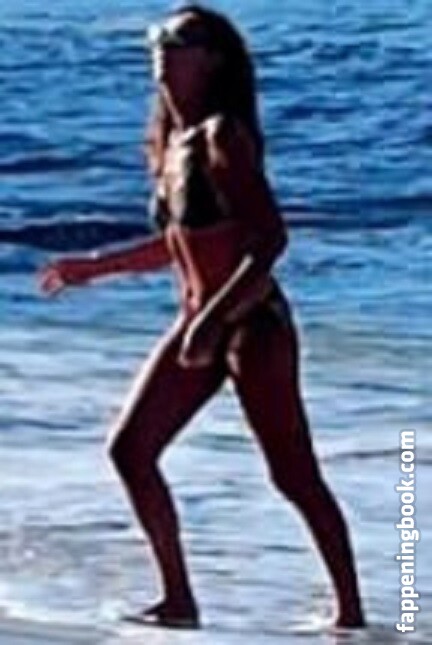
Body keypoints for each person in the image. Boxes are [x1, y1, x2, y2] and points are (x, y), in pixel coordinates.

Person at [37, 4, 366, 631]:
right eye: (158, 36)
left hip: (251, 322)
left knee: (293, 474)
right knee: (131, 450)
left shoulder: (223, 136)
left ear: (212, 59)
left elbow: (270, 239)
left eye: (180, 39)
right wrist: (94, 268)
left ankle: (352, 614)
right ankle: (178, 602)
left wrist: (215, 318)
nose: (163, 47)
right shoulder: (170, 142)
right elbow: (180, 242)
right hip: (198, 322)